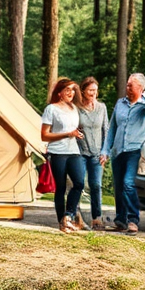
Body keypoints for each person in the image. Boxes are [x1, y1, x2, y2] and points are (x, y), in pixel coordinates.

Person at [100, 73, 145, 235]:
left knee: (128, 183)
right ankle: (120, 221)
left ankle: (133, 220)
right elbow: (112, 128)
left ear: (140, 88)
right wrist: (105, 150)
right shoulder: (120, 103)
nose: (127, 88)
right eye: (127, 85)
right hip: (118, 151)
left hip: (135, 151)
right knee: (119, 186)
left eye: (130, 85)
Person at [40, 78, 86, 233]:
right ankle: (62, 222)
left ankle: (69, 215)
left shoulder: (74, 108)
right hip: (57, 152)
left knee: (79, 183)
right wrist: (67, 134)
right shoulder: (51, 109)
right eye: (67, 90)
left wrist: (77, 134)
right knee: (60, 188)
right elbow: (44, 135)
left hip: (74, 151)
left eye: (73, 90)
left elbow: (73, 129)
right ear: (59, 93)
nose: (71, 93)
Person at [76, 76, 109, 231]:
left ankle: (97, 218)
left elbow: (106, 130)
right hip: (80, 152)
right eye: (90, 90)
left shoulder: (102, 107)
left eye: (95, 90)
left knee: (96, 185)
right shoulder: (76, 108)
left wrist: (105, 151)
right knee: (79, 184)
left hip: (97, 154)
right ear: (83, 91)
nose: (93, 93)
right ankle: (76, 216)